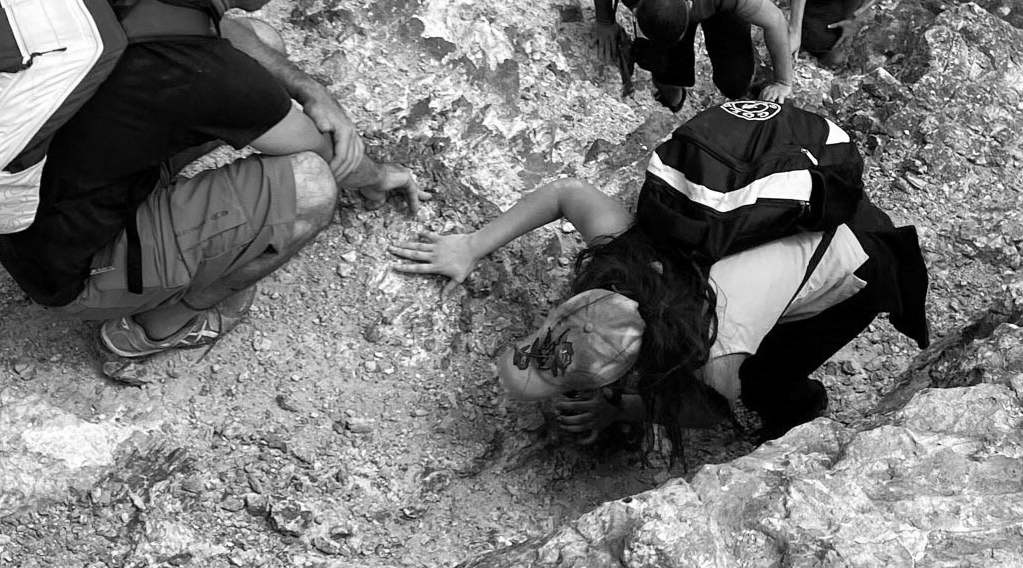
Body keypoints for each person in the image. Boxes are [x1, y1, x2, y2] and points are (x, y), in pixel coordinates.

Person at [0, 0, 418, 360]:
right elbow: (324, 154)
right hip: (66, 267)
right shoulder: (205, 76)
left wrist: (311, 90)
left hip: (9, 189)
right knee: (310, 188)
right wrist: (378, 175)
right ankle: (158, 325)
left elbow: (224, 32)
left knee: (260, 41)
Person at [388, 175, 926, 455]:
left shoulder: (715, 352)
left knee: (765, 382)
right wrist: (472, 246)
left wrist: (621, 411)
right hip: (808, 205)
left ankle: (800, 412)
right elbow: (567, 194)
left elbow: (711, 408)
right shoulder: (626, 261)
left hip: (855, 259)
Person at [587, 0, 795, 115]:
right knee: (663, 67)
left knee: (734, 83)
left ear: (689, 6)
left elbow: (775, 19)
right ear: (637, 9)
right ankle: (674, 102)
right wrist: (605, 21)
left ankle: (750, 78)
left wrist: (782, 82)